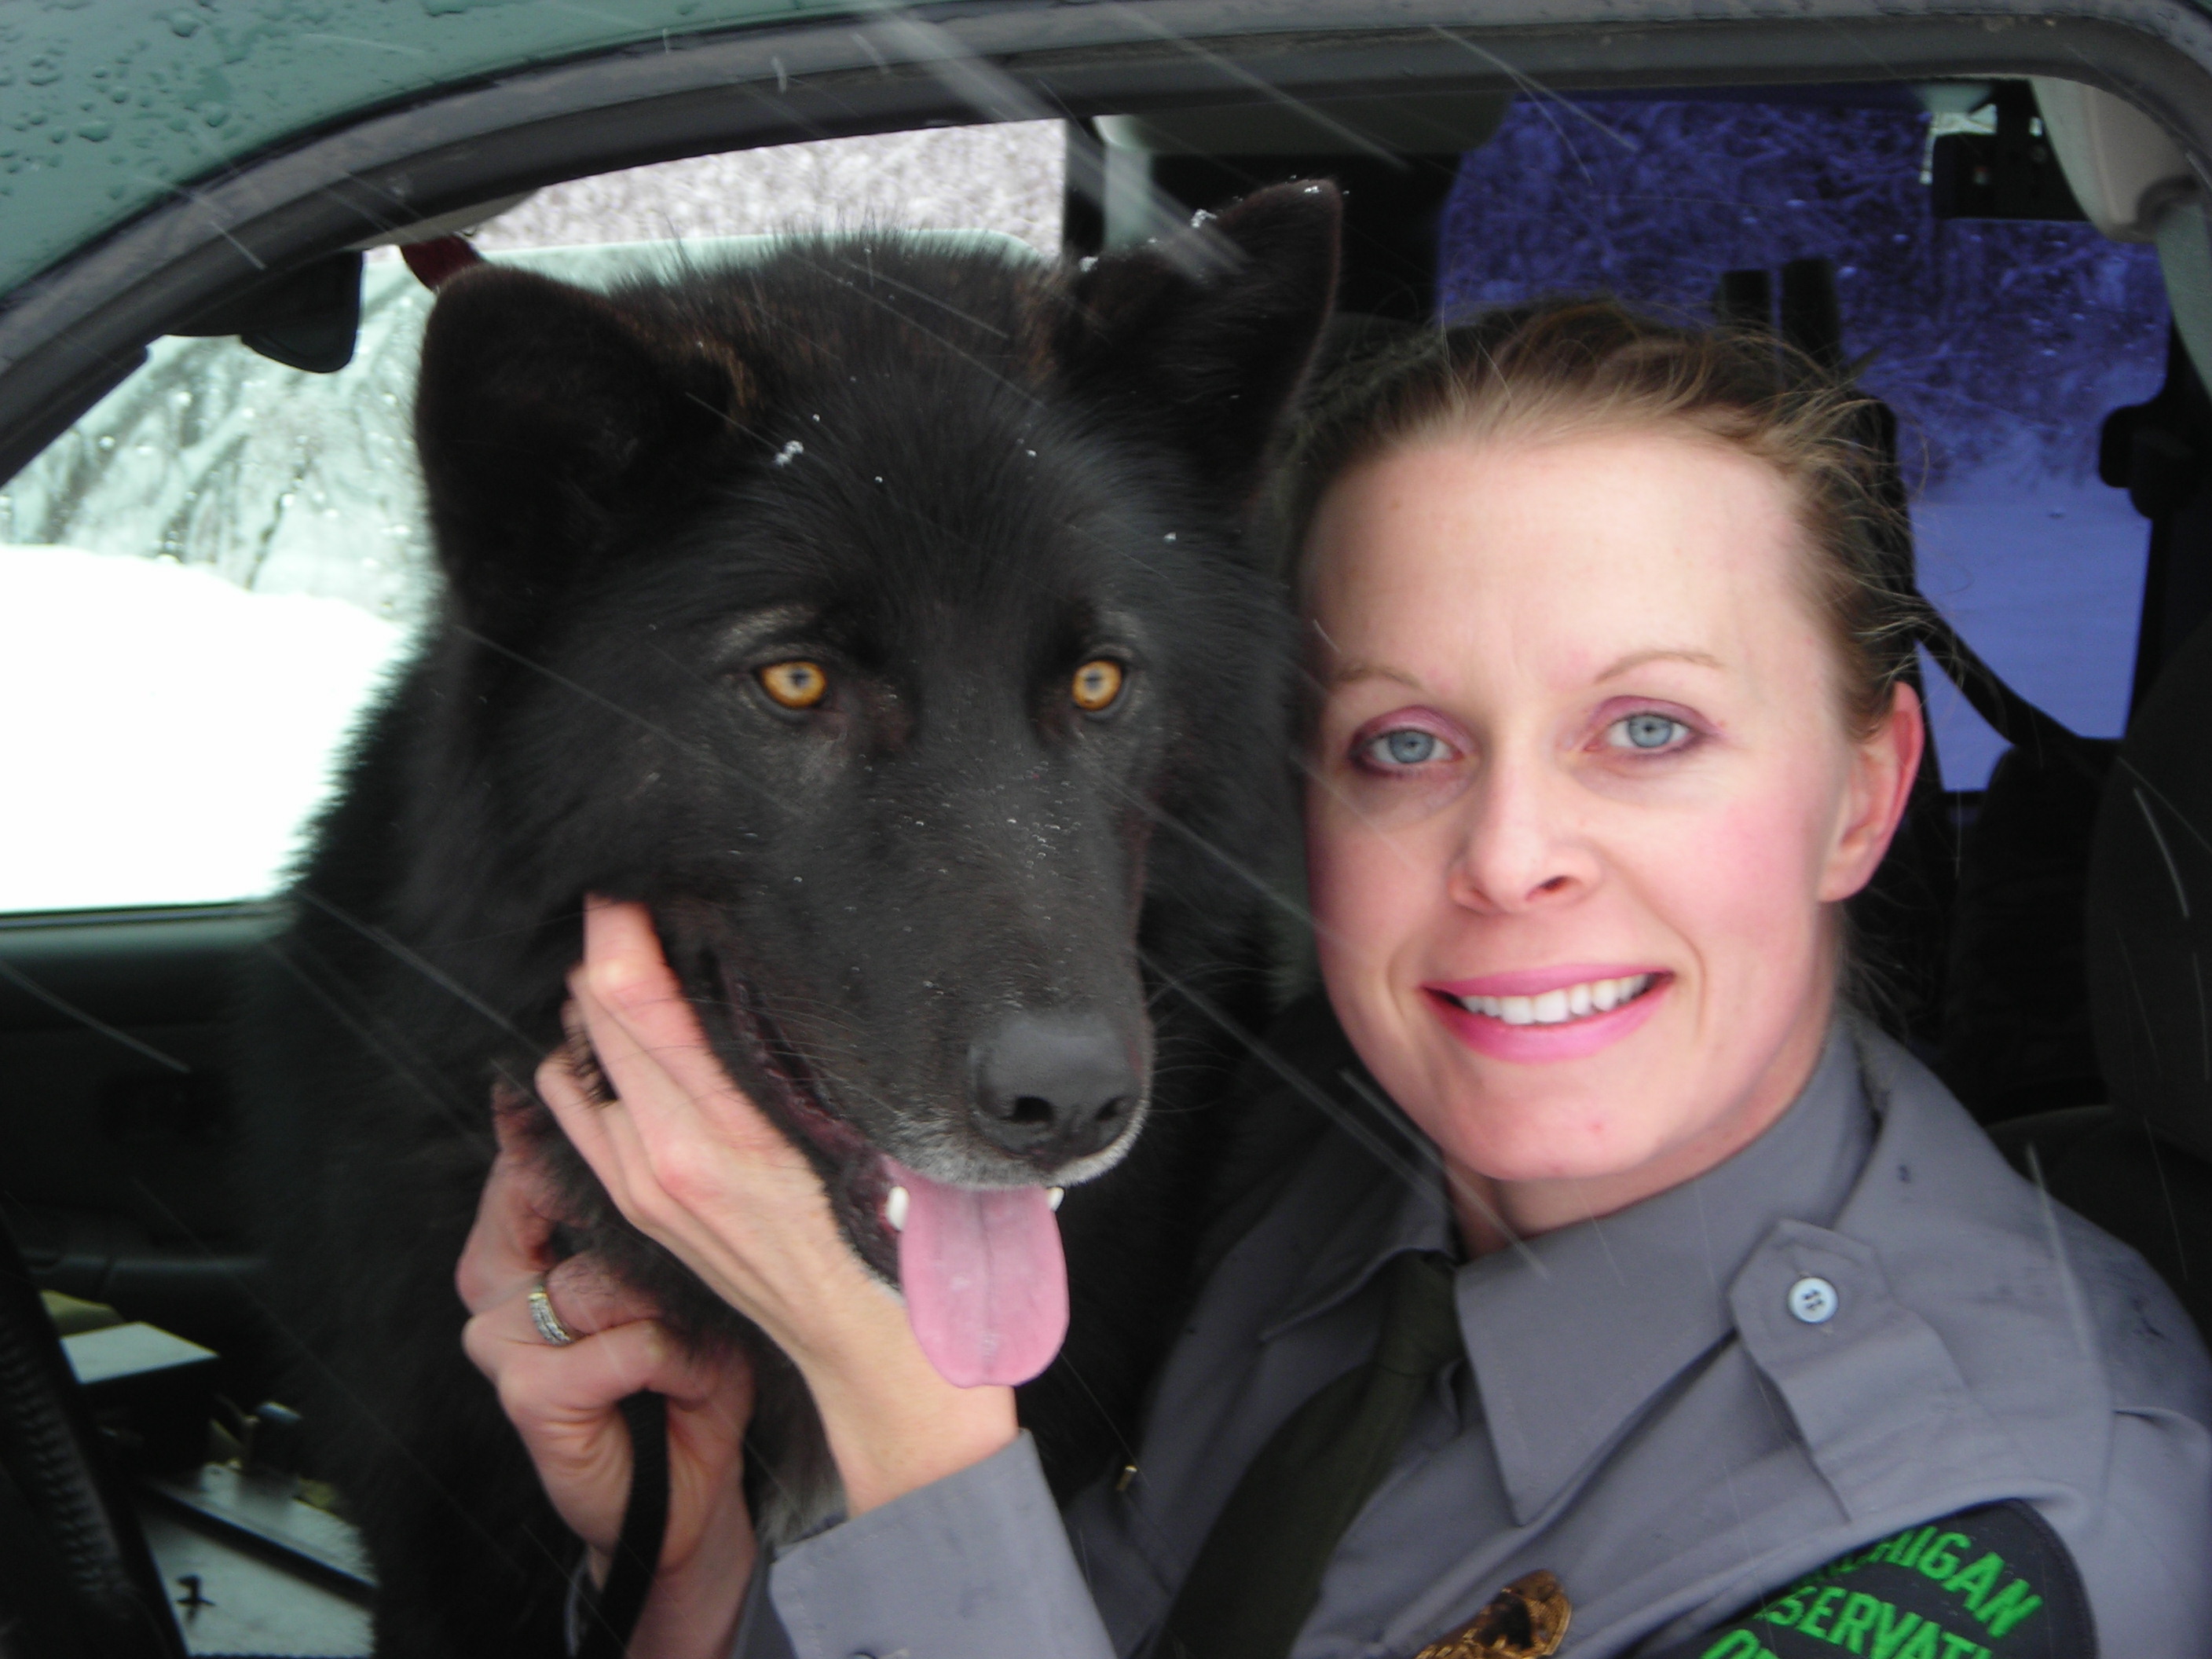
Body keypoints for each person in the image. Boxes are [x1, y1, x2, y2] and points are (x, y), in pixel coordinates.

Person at [457, 299, 2212, 1657]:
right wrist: (693, 1572)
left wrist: (905, 1419)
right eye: (1404, 745)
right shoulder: (1286, 1159)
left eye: (1649, 729)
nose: (1512, 851)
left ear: (1862, 796)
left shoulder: (1986, 1538)